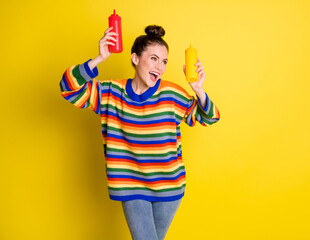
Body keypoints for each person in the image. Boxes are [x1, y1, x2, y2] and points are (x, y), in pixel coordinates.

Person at [60, 25, 220, 240]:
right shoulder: (110, 92)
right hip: (131, 185)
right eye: (154, 59)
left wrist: (198, 89)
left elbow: (208, 117)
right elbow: (68, 88)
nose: (160, 67)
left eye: (164, 61)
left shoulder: (171, 93)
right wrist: (99, 58)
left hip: (168, 187)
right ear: (135, 58)